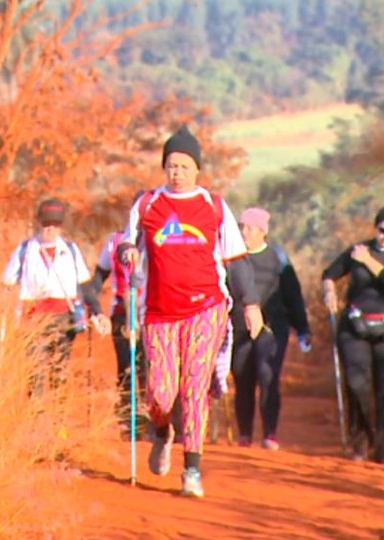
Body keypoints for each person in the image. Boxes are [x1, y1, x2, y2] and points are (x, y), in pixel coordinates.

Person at [116, 125, 263, 498]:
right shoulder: (147, 204)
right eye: (171, 165)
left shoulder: (213, 206)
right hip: (159, 312)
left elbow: (236, 260)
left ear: (197, 168)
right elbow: (126, 241)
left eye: (184, 165)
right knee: (160, 393)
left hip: (206, 309)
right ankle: (162, 430)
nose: (177, 172)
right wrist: (128, 251)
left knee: (194, 387)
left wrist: (250, 304)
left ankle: (192, 470)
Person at [321, 205, 384, 465]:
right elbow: (329, 274)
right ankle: (360, 441)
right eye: (382, 230)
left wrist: (368, 261)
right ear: (376, 228)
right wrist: (329, 291)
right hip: (355, 326)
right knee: (356, 383)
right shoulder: (358, 249)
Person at [2, 198, 110, 394]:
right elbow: (7, 283)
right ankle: (36, 411)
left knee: (59, 371)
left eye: (55, 224)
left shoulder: (70, 250)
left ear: (61, 226)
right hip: (32, 318)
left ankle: (58, 412)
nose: (50, 228)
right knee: (35, 371)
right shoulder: (25, 250)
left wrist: (97, 311)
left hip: (63, 318)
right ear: (38, 223)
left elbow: (85, 285)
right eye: (46, 223)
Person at [231, 207, 312, 451]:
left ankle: (270, 434)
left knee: (268, 375)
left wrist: (302, 328)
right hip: (239, 328)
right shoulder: (232, 258)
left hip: (272, 328)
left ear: (262, 232)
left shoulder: (277, 259)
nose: (244, 232)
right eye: (241, 227)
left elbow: (293, 295)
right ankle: (245, 434)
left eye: (249, 228)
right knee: (243, 378)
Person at [89, 192, 147, 420]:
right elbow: (97, 278)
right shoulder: (115, 241)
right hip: (122, 313)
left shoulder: (162, 240)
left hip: (154, 312)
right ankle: (128, 419)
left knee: (151, 369)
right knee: (126, 368)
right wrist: (95, 309)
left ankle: (157, 423)